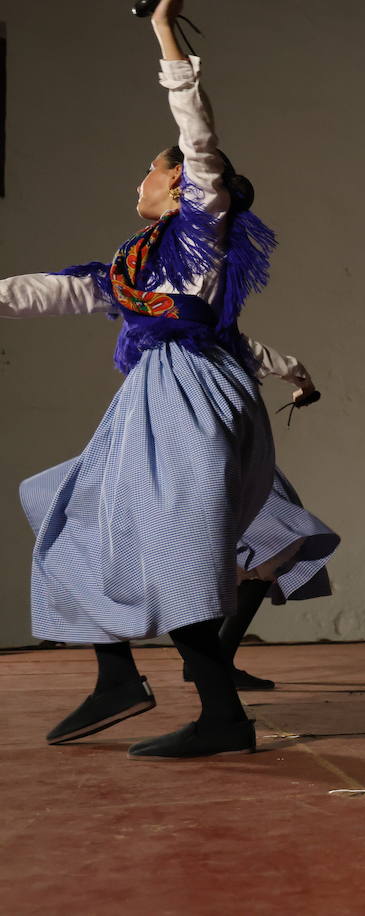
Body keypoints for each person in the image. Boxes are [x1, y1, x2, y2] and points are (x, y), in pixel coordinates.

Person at [2, 0, 278, 757]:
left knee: (173, 541)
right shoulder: (134, 262)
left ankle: (222, 716)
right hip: (151, 397)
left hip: (190, 390)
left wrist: (163, 33)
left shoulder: (199, 227)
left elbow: (198, 134)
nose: (142, 177)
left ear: (176, 180)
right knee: (59, 505)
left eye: (150, 169)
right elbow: (54, 290)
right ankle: (118, 674)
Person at [205, 338, 340, 690]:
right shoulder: (220, 338)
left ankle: (210, 660)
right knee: (273, 545)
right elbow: (282, 364)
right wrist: (304, 386)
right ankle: (215, 660)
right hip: (231, 460)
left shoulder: (168, 348)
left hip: (213, 458)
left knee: (243, 557)